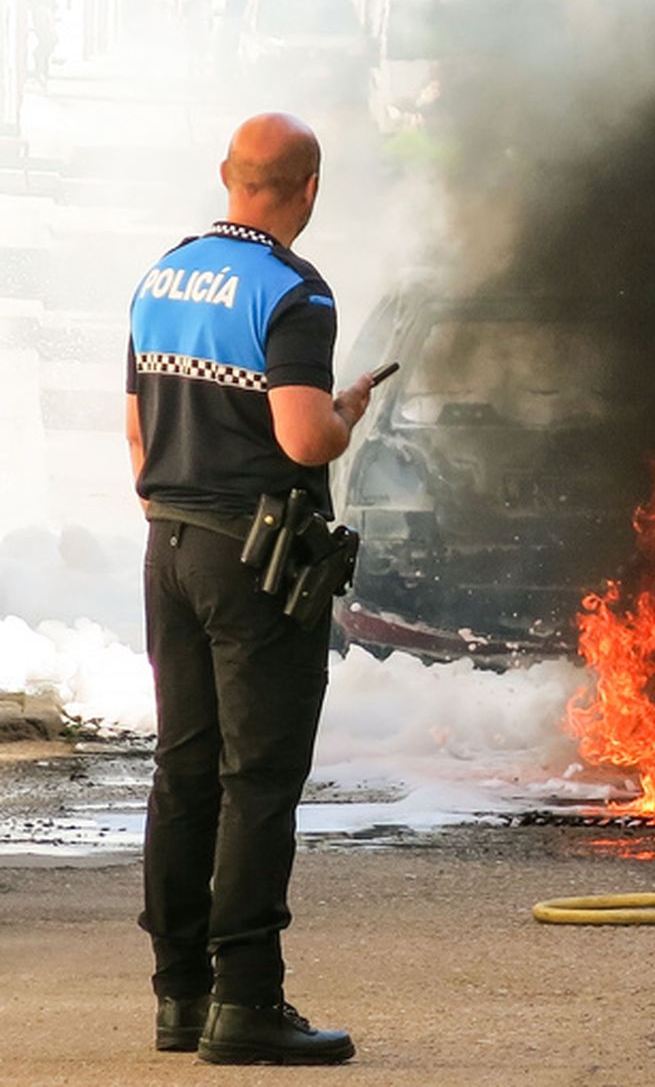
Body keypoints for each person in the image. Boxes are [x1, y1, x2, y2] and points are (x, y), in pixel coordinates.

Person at [125, 112, 375, 1063]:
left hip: (170, 547)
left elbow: (140, 440)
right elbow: (304, 439)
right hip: (254, 562)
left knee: (183, 772)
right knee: (259, 780)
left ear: (228, 175)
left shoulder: (162, 277)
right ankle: (249, 1003)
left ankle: (180, 998)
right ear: (308, 189)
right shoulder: (293, 291)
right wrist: (343, 411)